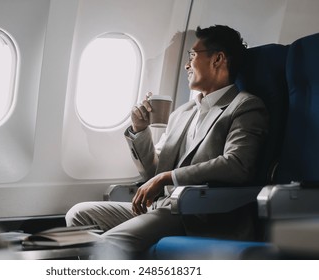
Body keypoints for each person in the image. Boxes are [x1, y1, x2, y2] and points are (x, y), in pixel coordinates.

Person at [65, 25, 269, 259]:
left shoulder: (244, 107)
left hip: (199, 211)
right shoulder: (182, 112)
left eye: (193, 56)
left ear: (218, 59)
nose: (186, 65)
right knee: (78, 215)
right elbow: (154, 170)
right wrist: (140, 131)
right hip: (162, 207)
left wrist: (168, 177)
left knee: (111, 243)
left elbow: (238, 165)